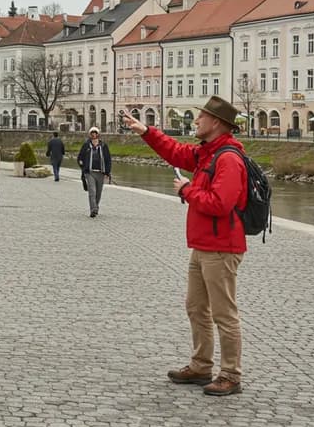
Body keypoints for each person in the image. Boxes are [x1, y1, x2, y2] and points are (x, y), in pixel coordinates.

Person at [120, 96, 248, 397]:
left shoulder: (228, 159)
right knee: (196, 307)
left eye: (200, 117)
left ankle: (230, 374)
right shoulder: (208, 153)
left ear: (216, 123)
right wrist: (145, 131)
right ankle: (201, 365)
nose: (196, 121)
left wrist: (187, 190)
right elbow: (176, 152)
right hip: (203, 245)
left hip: (222, 247)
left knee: (224, 313)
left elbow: (221, 204)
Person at [76, 127, 112, 218]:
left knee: (98, 193)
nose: (94, 135)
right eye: (92, 133)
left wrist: (107, 172)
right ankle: (93, 209)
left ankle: (96, 206)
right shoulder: (86, 145)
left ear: (98, 134)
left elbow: (108, 159)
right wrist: (82, 165)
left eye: (95, 133)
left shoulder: (103, 146)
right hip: (90, 172)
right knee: (92, 191)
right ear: (90, 134)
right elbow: (80, 157)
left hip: (101, 172)